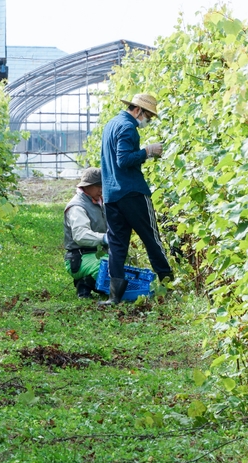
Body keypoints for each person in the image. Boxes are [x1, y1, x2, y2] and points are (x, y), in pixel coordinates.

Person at [99, 93, 174, 305]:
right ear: (138, 110)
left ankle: (115, 296)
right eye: (148, 116)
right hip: (132, 193)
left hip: (111, 195)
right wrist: (147, 152)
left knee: (117, 244)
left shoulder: (111, 124)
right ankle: (169, 284)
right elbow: (123, 160)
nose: (147, 120)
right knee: (152, 239)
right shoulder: (128, 127)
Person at [63, 167, 109, 298]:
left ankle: (90, 281)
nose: (101, 189)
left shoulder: (100, 202)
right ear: (86, 187)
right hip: (79, 257)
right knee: (108, 269)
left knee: (119, 268)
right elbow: (80, 236)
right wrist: (105, 238)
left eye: (102, 185)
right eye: (97, 186)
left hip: (97, 254)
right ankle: (84, 283)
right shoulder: (77, 207)